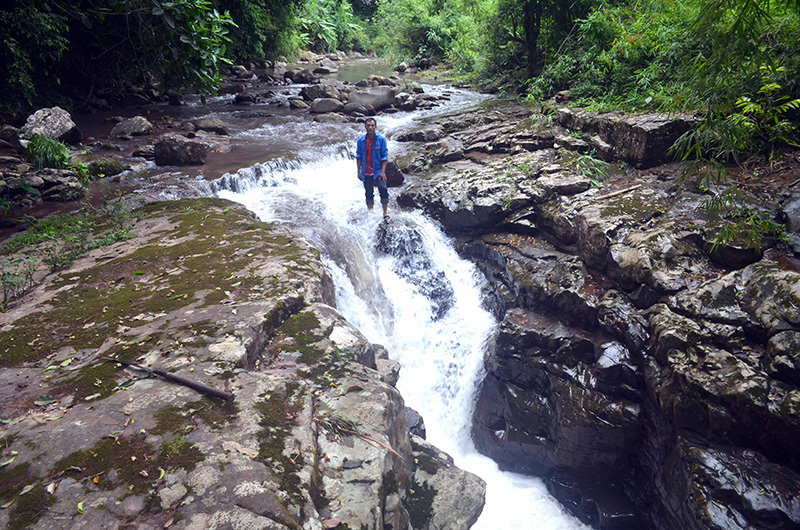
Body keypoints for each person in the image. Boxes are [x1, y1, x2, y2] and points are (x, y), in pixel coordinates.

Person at [356, 117, 390, 222]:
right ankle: (371, 213)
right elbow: (359, 156)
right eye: (368, 125)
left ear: (375, 127)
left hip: (378, 170)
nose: (370, 127)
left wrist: (383, 171)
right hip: (366, 170)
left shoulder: (381, 140)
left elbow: (384, 156)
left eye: (372, 125)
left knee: (383, 189)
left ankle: (385, 213)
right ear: (365, 127)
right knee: (368, 192)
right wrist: (358, 171)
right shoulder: (361, 141)